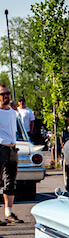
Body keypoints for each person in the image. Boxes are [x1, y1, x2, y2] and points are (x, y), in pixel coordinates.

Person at [0, 84, 23, 224]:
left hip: (12, 149)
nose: (6, 96)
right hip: (0, 148)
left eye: (7, 93)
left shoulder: (13, 112)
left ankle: (9, 213)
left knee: (11, 182)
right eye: (2, 94)